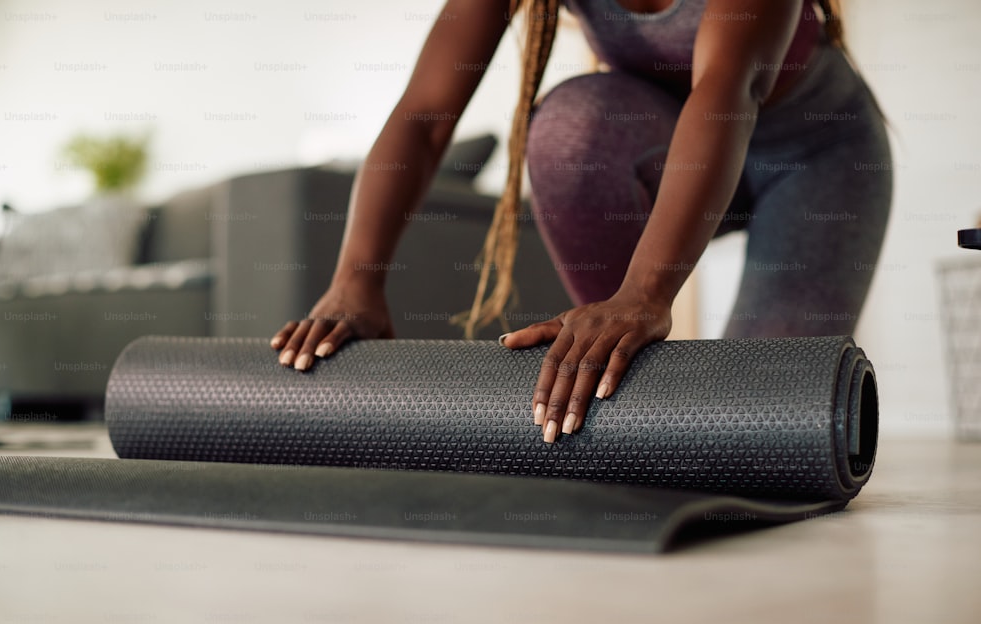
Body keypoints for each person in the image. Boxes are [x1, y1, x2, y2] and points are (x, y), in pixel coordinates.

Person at [270, 0, 891, 444]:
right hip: (660, 149)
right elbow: (427, 115)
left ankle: (630, 328)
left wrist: (645, 293)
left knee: (763, 425)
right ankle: (613, 385)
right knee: (572, 125)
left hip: (815, 164)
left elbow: (730, 92)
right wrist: (356, 280)